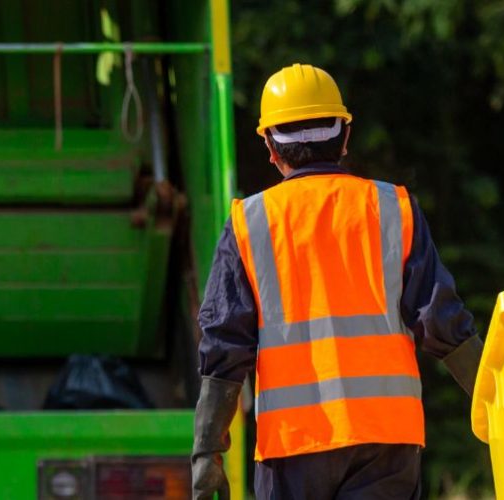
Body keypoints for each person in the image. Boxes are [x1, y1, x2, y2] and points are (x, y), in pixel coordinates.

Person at [190, 63, 485, 500]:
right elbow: (442, 320)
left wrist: (207, 451)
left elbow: (224, 344)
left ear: (270, 146)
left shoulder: (250, 223)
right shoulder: (393, 208)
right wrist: (500, 403)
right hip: (387, 440)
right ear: (345, 136)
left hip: (293, 448)